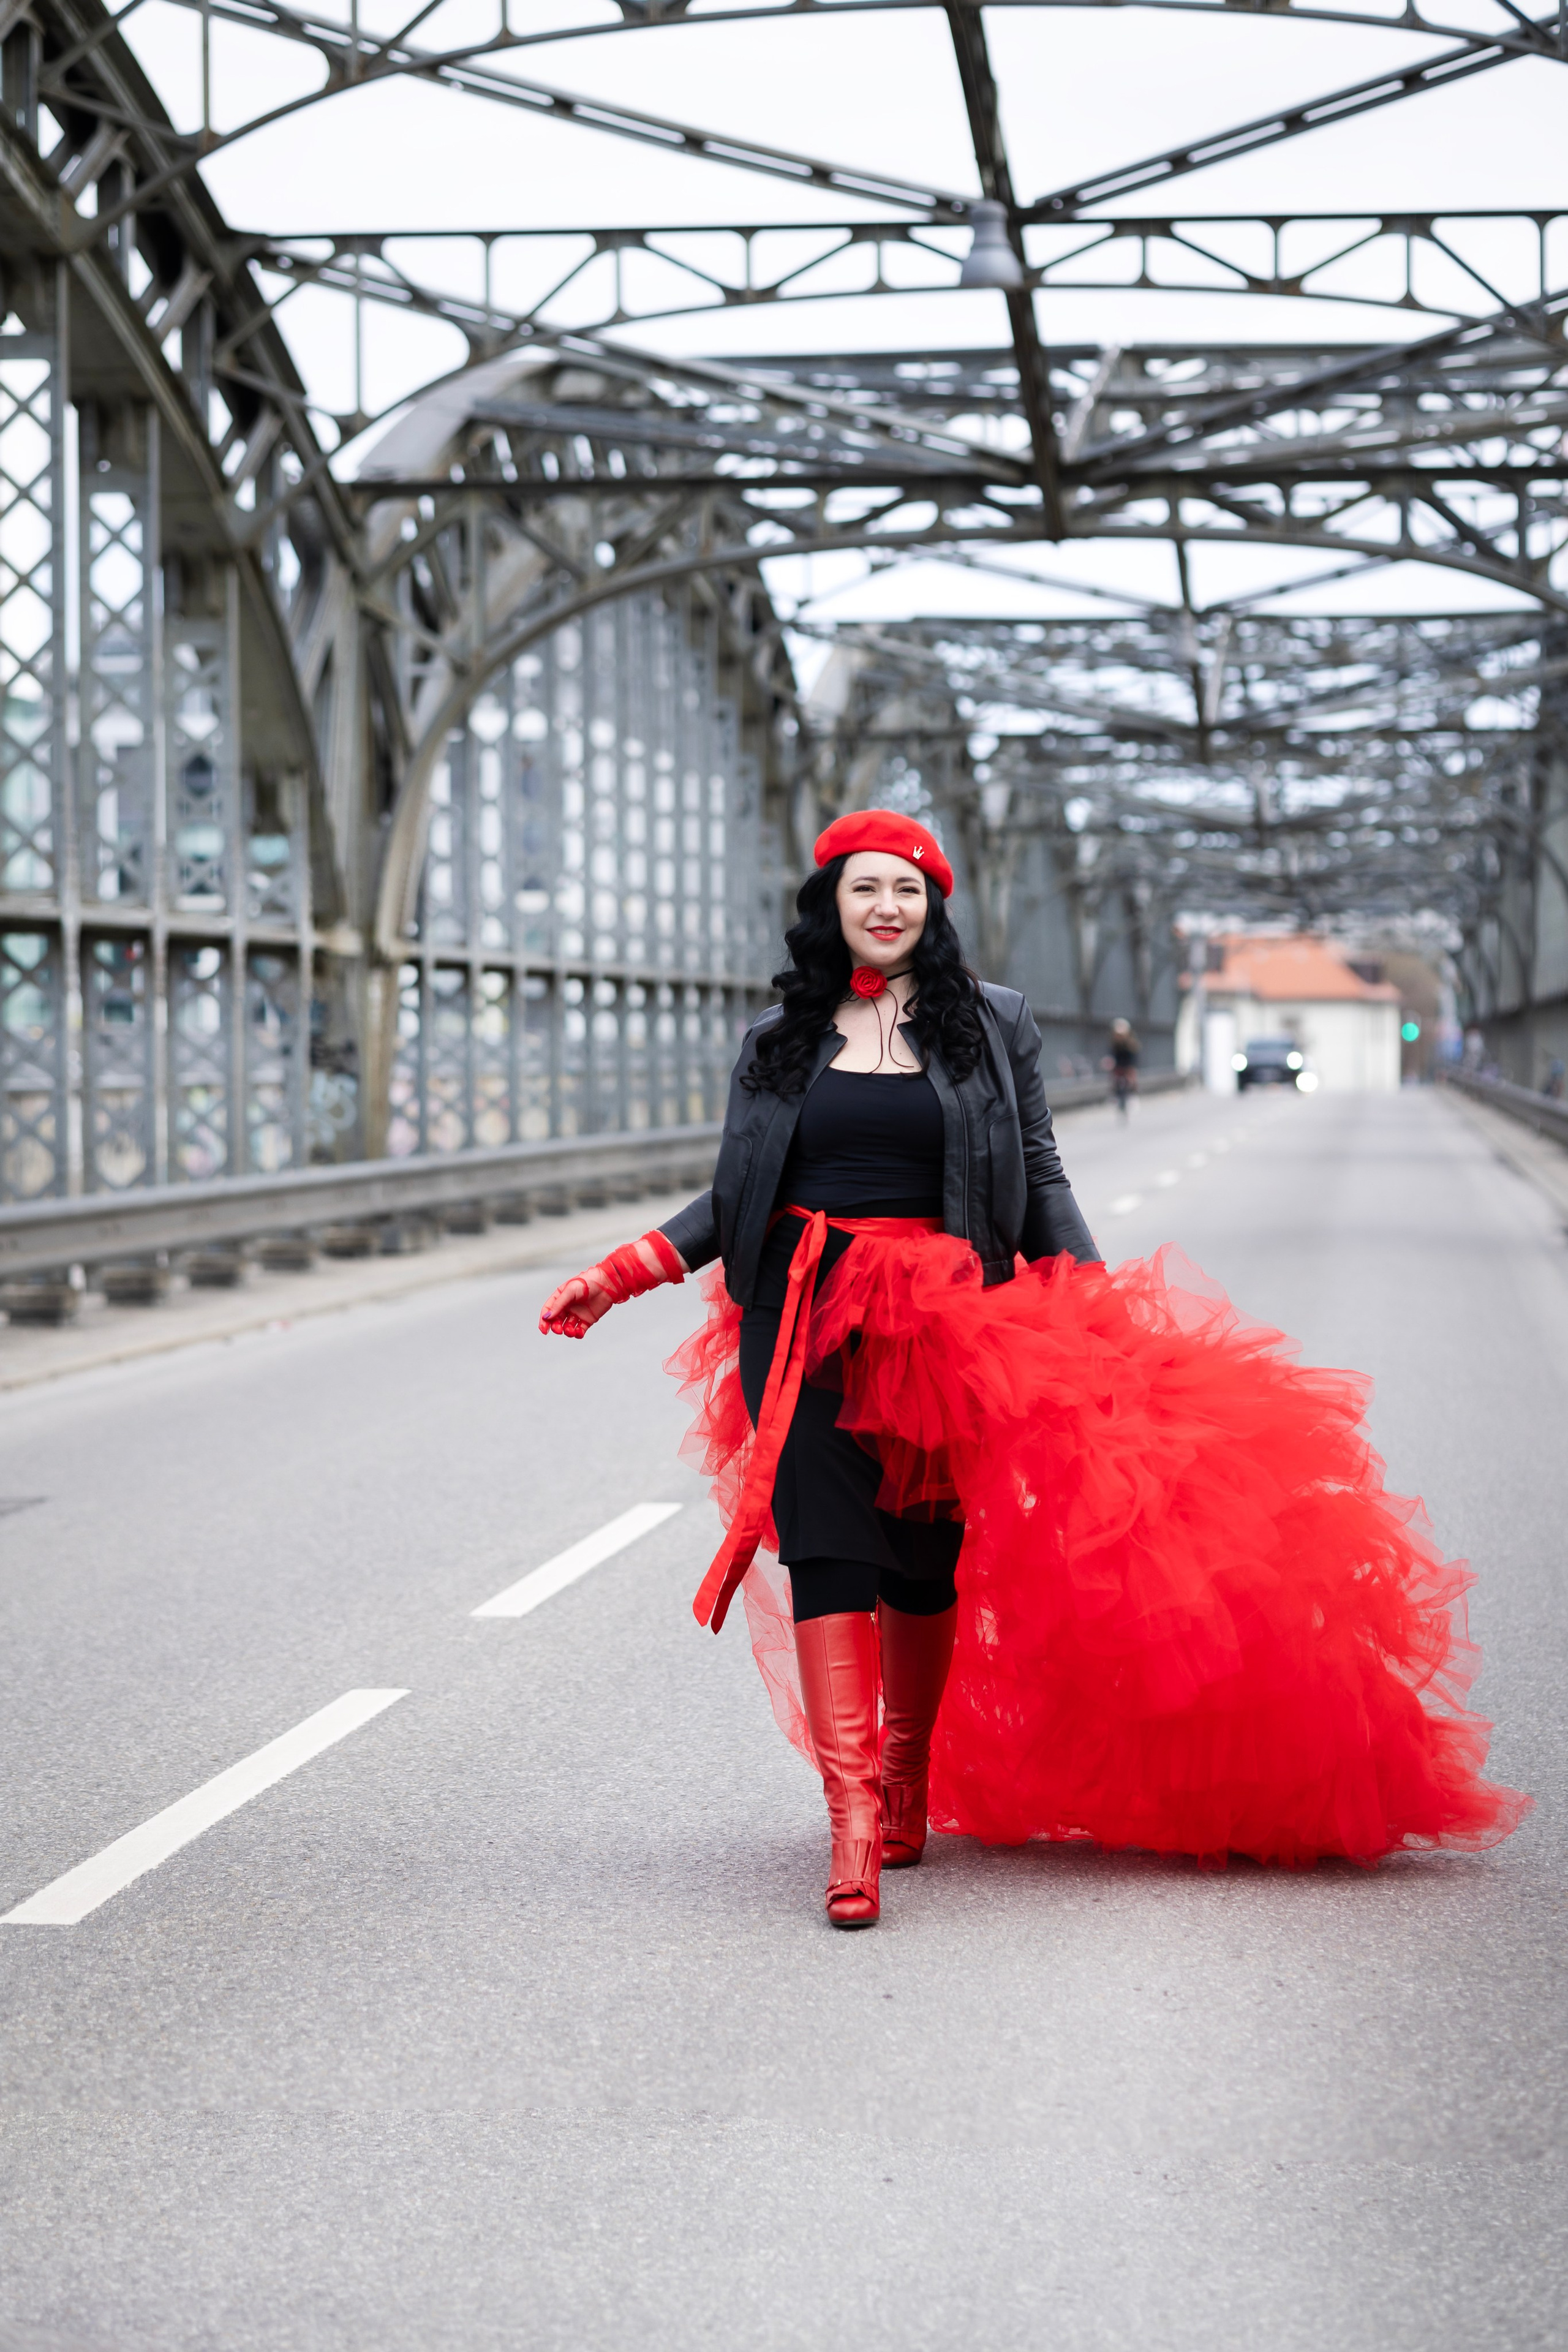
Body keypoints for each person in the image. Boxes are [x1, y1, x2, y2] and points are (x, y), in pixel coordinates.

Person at [540, 810, 1528, 1929]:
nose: (887, 909)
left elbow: (1042, 1178)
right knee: (828, 1553)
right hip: (805, 1320)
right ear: (830, 904)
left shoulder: (991, 1025)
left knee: (921, 1565)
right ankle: (854, 1818)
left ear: (934, 908)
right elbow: (738, 1192)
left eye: (909, 892)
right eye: (866, 890)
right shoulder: (778, 1037)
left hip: (951, 1328)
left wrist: (1097, 1306)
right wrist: (624, 1273)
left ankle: (906, 1780)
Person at [1104, 1017, 1140, 1117]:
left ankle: (1133, 1096)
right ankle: (1114, 1096)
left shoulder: (1131, 1044)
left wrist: (1131, 1069)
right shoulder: (1114, 1044)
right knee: (1114, 1080)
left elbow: (1134, 1057)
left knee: (1131, 1080)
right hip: (1118, 1066)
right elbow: (1111, 1056)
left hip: (1128, 1065)